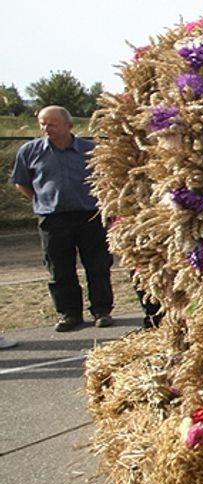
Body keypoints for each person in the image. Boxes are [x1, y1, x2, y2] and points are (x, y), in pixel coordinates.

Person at [11, 106, 115, 332]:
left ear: (69, 126)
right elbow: (22, 182)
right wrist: (43, 200)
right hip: (53, 218)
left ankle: (101, 310)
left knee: (97, 265)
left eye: (52, 124)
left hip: (90, 215)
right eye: (42, 124)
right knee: (59, 269)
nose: (46, 128)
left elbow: (108, 180)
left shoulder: (92, 150)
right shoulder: (29, 151)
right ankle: (69, 314)